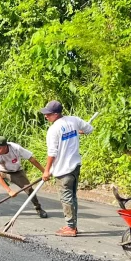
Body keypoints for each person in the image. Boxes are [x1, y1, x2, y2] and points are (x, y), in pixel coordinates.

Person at [40, 101, 93, 237]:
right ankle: (72, 225)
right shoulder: (73, 120)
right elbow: (89, 129)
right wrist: (77, 132)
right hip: (75, 166)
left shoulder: (53, 130)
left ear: (56, 114)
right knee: (72, 197)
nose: (46, 116)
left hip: (63, 169)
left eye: (48, 114)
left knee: (66, 198)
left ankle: (70, 227)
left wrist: (46, 171)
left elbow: (52, 153)